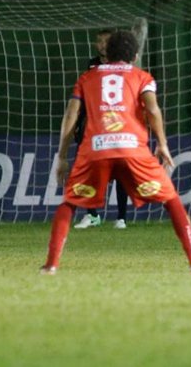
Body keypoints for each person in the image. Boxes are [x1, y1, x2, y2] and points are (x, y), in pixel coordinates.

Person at [40, 30, 191, 275]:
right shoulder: (142, 77)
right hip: (132, 148)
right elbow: (152, 110)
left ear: (106, 53)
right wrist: (162, 143)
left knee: (70, 202)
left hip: (95, 149)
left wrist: (62, 155)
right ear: (136, 54)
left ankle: (51, 265)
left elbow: (71, 115)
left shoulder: (86, 78)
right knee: (171, 200)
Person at [74, 28, 130, 230]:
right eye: (99, 41)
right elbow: (85, 94)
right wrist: (79, 122)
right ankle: (92, 215)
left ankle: (121, 217)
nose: (102, 45)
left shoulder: (123, 65)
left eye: (106, 41)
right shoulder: (91, 64)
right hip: (93, 126)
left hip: (116, 125)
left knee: (120, 170)